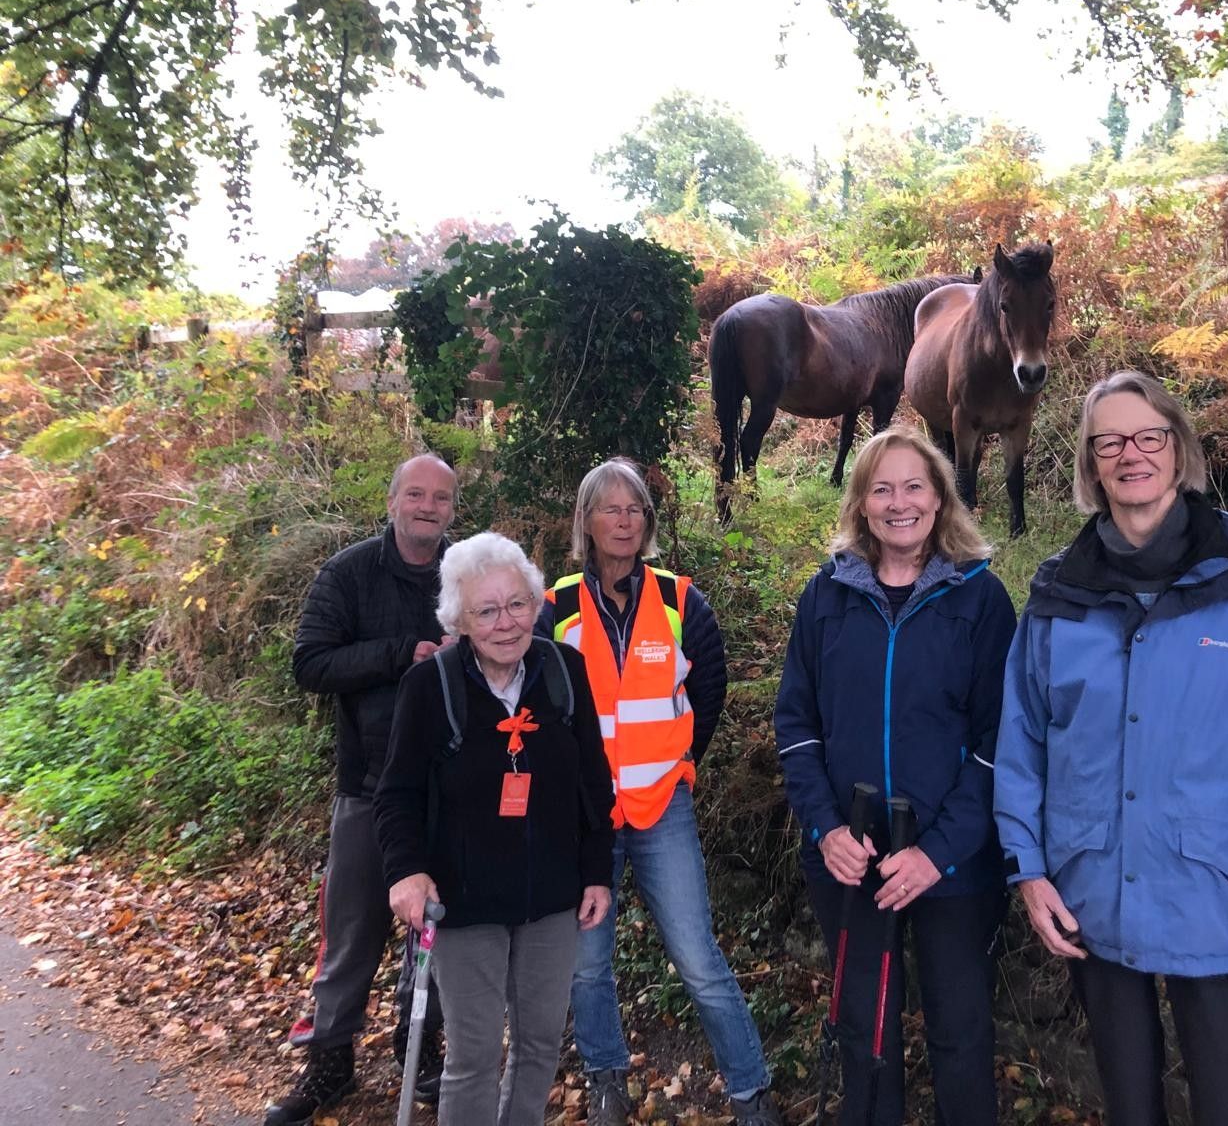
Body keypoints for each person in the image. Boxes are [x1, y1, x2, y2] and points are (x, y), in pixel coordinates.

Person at [993, 370, 1228, 1126]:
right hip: (1092, 886)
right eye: (1108, 441)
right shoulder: (1057, 591)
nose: (1130, 454)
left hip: (1218, 893)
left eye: (1148, 437)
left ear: (1178, 450)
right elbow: (1023, 744)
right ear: (1089, 465)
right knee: (1128, 1103)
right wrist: (1029, 869)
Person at [774, 425, 1016, 1126]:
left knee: (960, 1029)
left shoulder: (981, 598)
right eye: (881, 488)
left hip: (953, 862)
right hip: (852, 856)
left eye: (914, 486)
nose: (898, 502)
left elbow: (1000, 741)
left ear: (941, 499)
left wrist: (938, 854)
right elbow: (798, 724)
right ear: (860, 503)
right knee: (866, 1030)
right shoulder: (827, 596)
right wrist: (823, 829)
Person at [536, 457, 782, 1126]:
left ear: (647, 521)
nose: (623, 520)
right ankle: (606, 1080)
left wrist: (679, 760)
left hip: (661, 805)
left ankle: (749, 1091)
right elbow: (535, 706)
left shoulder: (679, 600)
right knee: (587, 965)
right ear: (585, 520)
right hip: (586, 817)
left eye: (635, 508)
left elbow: (709, 689)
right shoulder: (554, 606)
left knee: (698, 958)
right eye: (610, 508)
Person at [375, 532, 615, 1124]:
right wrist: (406, 871)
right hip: (464, 900)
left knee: (538, 1048)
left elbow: (594, 781)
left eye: (517, 605)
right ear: (459, 620)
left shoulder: (565, 671)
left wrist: (596, 874)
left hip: (552, 898)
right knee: (474, 1056)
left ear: (537, 606)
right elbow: (397, 794)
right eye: (486, 610)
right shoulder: (429, 688)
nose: (506, 623)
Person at [266, 454, 457, 1126]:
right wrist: (400, 653)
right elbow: (310, 662)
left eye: (439, 498)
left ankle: (420, 1048)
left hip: (448, 786)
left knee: (434, 932)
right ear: (392, 500)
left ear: (452, 509)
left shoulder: (466, 571)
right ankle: (329, 1058)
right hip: (367, 783)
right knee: (350, 929)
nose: (427, 507)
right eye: (415, 494)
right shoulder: (347, 574)